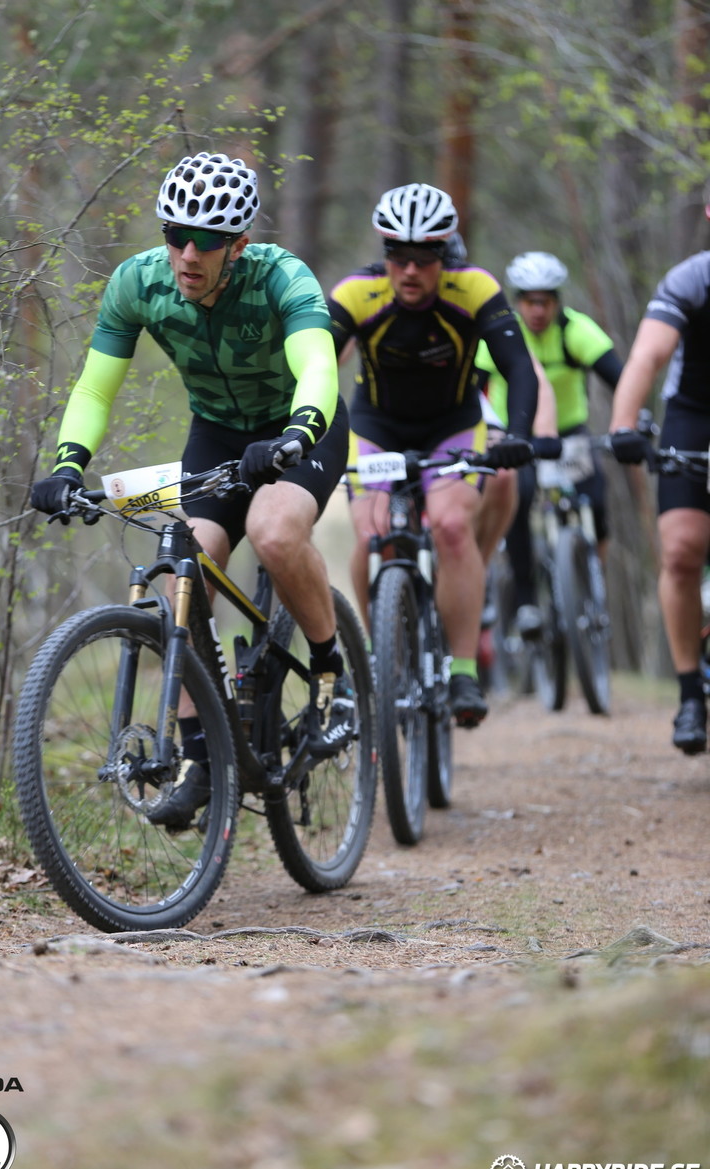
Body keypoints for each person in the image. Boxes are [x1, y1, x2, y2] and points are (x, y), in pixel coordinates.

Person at [30, 150, 353, 828]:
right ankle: (201, 757)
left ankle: (331, 669)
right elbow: (95, 387)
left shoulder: (281, 277)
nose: (187, 253)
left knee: (272, 531)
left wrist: (298, 431)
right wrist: (67, 466)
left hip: (300, 427)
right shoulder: (137, 283)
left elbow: (318, 366)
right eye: (175, 235)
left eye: (206, 240)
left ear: (239, 245)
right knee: (187, 567)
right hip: (218, 434)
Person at [327, 183, 538, 729]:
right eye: (398, 256)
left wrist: (517, 433)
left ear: (445, 255)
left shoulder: (474, 289)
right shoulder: (357, 293)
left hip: (452, 425)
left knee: (450, 526)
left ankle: (463, 668)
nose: (410, 270)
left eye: (424, 258)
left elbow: (518, 365)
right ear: (384, 253)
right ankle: (375, 652)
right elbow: (316, 365)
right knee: (371, 533)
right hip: (376, 425)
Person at [475, 252, 624, 638]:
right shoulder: (504, 333)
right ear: (517, 301)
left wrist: (630, 420)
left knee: (597, 499)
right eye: (529, 301)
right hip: (517, 437)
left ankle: (591, 580)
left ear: (558, 301)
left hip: (569, 435)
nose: (537, 310)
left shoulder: (577, 330)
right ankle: (526, 601)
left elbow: (620, 378)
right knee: (519, 497)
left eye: (545, 301)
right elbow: (474, 388)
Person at [609, 208, 710, 756]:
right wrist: (624, 426)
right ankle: (691, 693)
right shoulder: (692, 278)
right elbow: (648, 355)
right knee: (681, 550)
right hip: (695, 413)